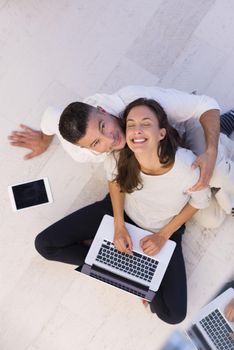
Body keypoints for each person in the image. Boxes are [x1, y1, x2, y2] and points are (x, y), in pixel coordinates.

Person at [9, 85, 224, 191]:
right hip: (162, 146)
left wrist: (211, 151)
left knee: (213, 174)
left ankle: (226, 126)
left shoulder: (136, 100)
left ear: (102, 109)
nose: (109, 139)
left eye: (103, 126)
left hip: (181, 124)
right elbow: (50, 117)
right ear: (86, 149)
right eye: (96, 142)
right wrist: (43, 140)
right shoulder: (80, 154)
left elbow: (207, 105)